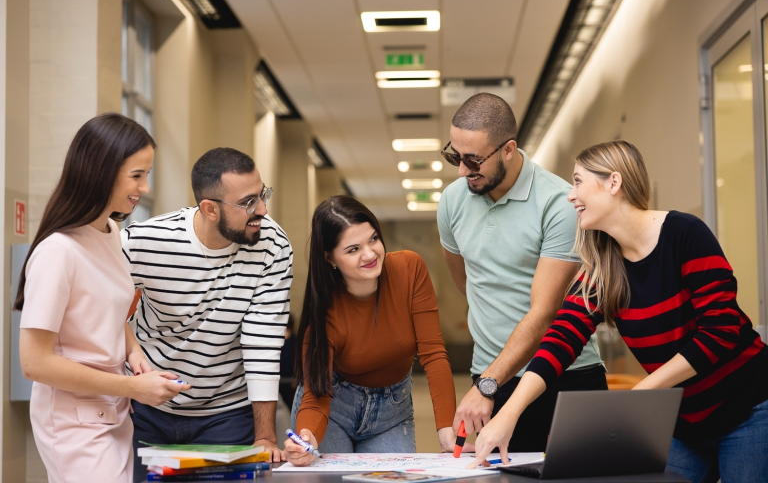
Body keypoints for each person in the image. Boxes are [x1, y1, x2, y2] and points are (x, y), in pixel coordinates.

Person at [469, 141, 768, 482]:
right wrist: (509, 412)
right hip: (684, 423)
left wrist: (639, 395)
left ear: (613, 183)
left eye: (578, 181)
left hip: (748, 411)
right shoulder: (603, 267)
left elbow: (721, 330)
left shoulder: (684, 234)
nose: (571, 195)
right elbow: (560, 340)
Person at [17, 114, 190, 483]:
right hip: (72, 421)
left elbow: (109, 311)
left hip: (110, 412)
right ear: (101, 171)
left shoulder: (110, 231)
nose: (144, 188)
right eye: (137, 175)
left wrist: (133, 353)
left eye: (147, 175)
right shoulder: (57, 251)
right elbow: (34, 363)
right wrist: (132, 386)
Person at [437, 93, 605, 452]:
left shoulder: (559, 203)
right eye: (454, 156)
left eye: (473, 160)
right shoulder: (452, 201)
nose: (462, 170)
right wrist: (489, 377)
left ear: (509, 149)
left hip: (565, 374)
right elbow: (467, 280)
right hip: (491, 375)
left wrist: (487, 383)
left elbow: (544, 313)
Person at [121, 148, 293, 482]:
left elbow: (263, 343)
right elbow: (97, 305)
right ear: (210, 209)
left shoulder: (272, 244)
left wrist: (266, 437)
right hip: (146, 408)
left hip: (227, 412)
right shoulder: (144, 242)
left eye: (262, 195)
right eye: (247, 203)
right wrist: (129, 358)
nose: (262, 210)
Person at [285, 196, 456, 466]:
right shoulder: (324, 312)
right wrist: (307, 439)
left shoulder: (409, 269)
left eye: (373, 239)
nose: (370, 254)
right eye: (353, 249)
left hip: (392, 412)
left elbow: (433, 353)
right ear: (329, 258)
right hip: (334, 409)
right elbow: (316, 396)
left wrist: (446, 429)